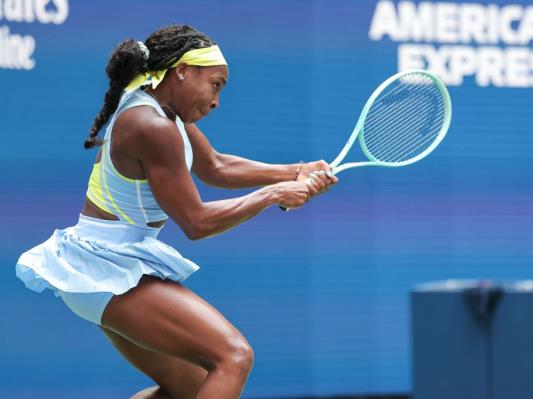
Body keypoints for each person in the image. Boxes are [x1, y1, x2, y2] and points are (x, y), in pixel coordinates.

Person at [16, 24, 337, 399]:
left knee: (192, 389)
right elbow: (197, 222)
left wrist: (295, 170)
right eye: (215, 84)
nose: (216, 101)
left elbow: (216, 166)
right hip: (106, 267)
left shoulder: (163, 111)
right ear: (183, 71)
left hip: (106, 265)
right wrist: (273, 194)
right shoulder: (153, 126)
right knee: (234, 356)